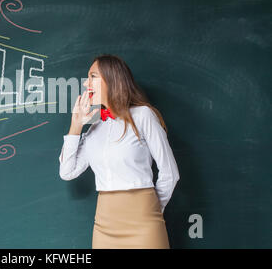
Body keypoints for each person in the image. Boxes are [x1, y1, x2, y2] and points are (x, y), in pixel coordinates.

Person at [58, 54, 180, 249]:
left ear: (112, 79)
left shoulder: (143, 116)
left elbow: (170, 173)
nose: (86, 84)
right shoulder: (94, 128)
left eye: (93, 77)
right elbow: (67, 171)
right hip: (105, 224)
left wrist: (152, 210)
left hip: (144, 220)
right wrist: (75, 126)